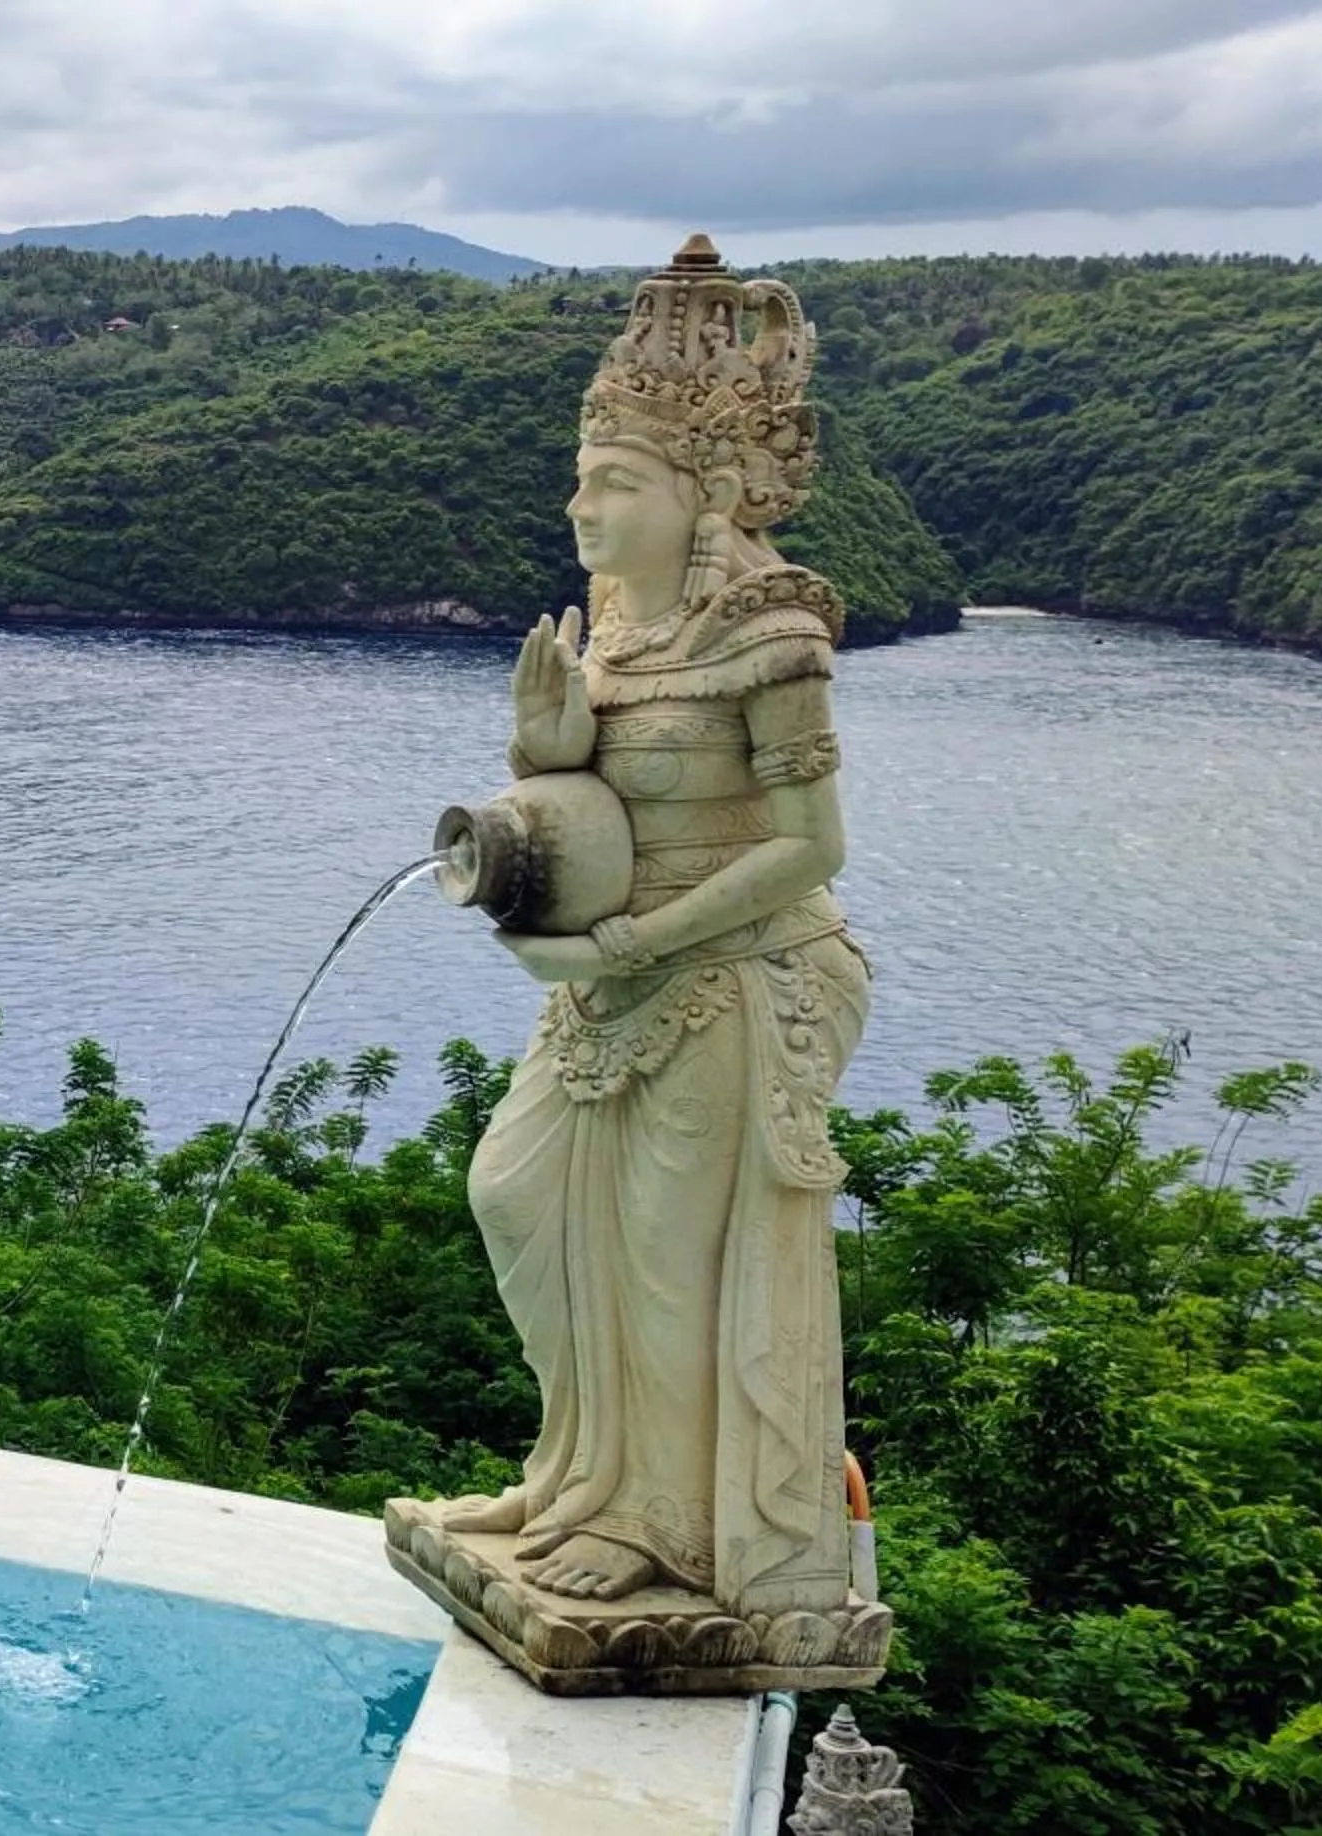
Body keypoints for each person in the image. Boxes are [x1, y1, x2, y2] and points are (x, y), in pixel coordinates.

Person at [441, 238, 865, 1616]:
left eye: (615, 483)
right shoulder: (611, 635)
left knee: (668, 1261)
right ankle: (575, 1470)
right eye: (581, 479)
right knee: (522, 1197)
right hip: (613, 985)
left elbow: (813, 846)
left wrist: (641, 943)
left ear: (706, 492)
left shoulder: (773, 631)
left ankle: (662, 1527)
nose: (583, 509)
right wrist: (544, 743)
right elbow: (588, 818)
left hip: (740, 979)